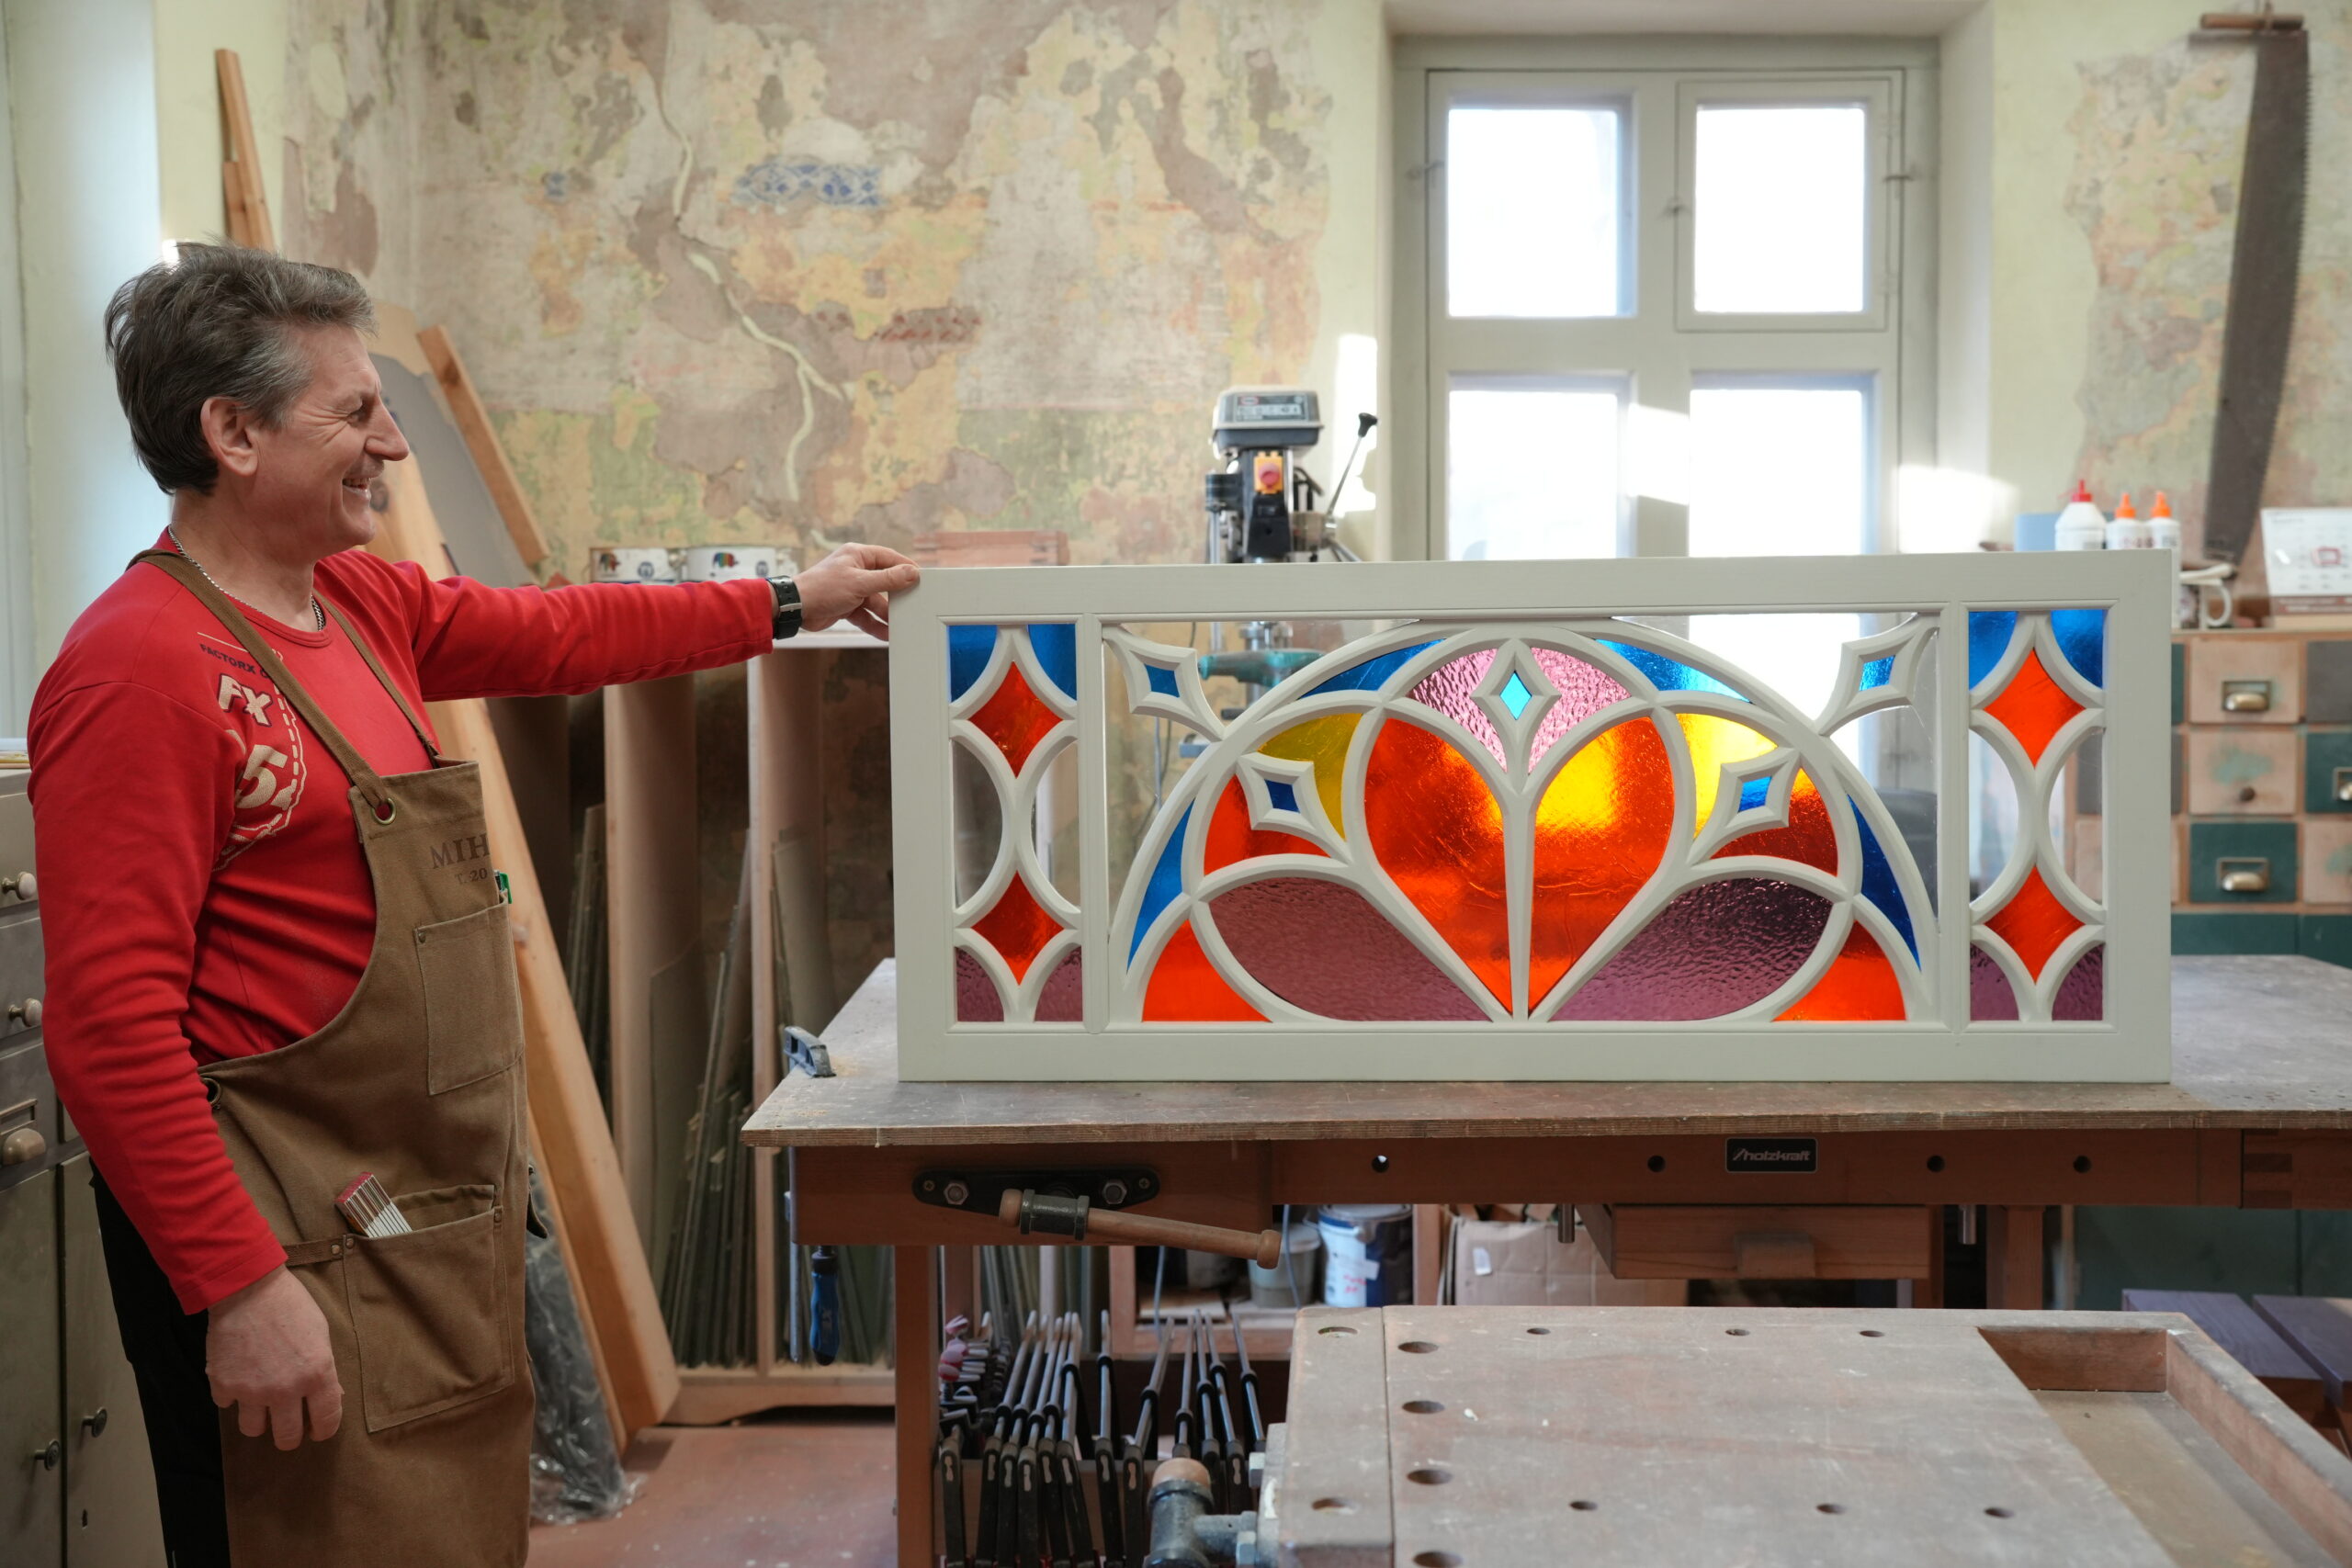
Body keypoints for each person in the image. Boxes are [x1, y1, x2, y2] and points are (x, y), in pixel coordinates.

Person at [27, 243, 919, 1567]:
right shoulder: (140, 673)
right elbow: (108, 1032)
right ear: (233, 433)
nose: (391, 442)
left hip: (403, 1223)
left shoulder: (355, 603)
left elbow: (566, 634)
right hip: (281, 1245)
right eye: (353, 412)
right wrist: (240, 1287)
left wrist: (792, 600)